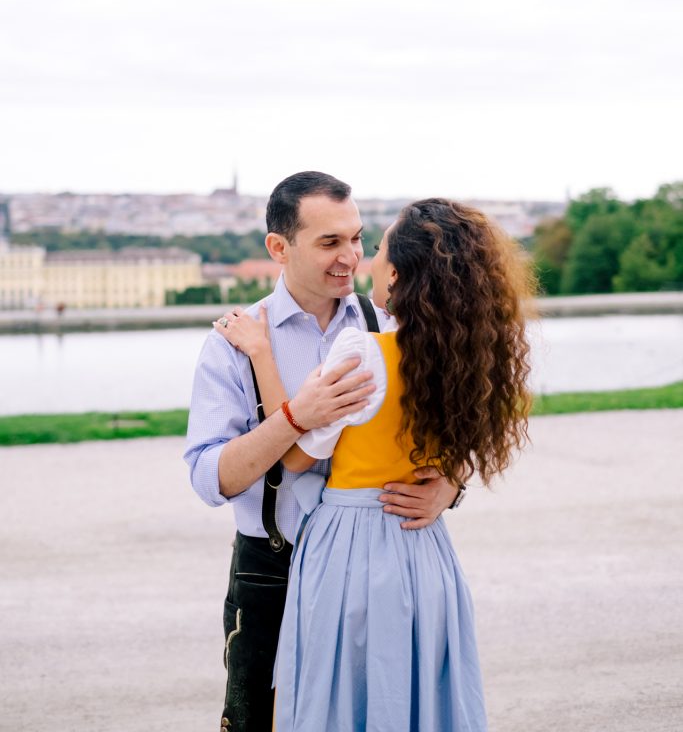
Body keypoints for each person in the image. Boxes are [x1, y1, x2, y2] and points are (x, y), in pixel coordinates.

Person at [217, 197, 534, 731]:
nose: (359, 259)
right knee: (416, 698)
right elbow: (463, 435)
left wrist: (263, 355)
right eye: (333, 242)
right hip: (423, 553)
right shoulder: (457, 351)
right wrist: (449, 479)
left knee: (341, 702)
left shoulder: (364, 348)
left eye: (371, 245)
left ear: (397, 272)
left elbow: (293, 455)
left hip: (349, 549)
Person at [184, 173, 459, 732]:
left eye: (358, 239)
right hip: (272, 572)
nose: (352, 258)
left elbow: (459, 413)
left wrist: (450, 484)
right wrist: (294, 419)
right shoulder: (233, 344)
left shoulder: (391, 323)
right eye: (330, 243)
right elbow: (210, 477)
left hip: (377, 564)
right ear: (278, 248)